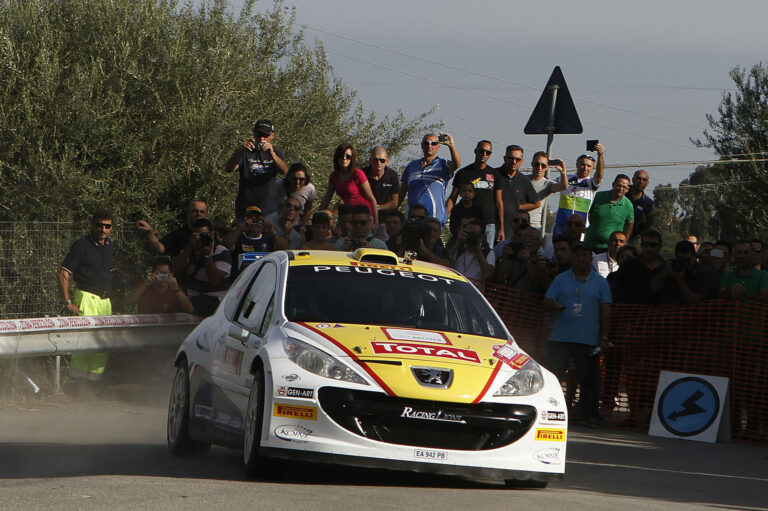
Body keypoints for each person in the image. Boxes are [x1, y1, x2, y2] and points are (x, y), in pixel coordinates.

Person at [543, 242, 612, 428]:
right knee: (555, 378)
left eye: (585, 255)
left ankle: (590, 415)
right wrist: (555, 306)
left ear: (591, 259)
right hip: (560, 339)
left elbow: (606, 311)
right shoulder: (561, 279)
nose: (581, 258)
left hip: (587, 340)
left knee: (589, 379)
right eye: (578, 255)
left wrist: (604, 337)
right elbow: (547, 301)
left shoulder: (600, 282)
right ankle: (550, 411)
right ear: (573, 258)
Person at [57, 208, 116, 384]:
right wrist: (67, 302)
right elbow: (63, 273)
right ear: (92, 224)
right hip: (86, 297)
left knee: (102, 344)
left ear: (111, 228)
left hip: (105, 301)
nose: (103, 229)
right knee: (84, 342)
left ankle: (94, 384)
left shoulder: (109, 245)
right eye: (99, 225)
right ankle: (77, 385)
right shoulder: (82, 245)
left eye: (107, 226)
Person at [224, 119, 288, 222]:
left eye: (265, 135)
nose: (262, 138)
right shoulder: (244, 152)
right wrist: (241, 150)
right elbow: (229, 168)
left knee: (268, 237)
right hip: (245, 210)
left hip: (268, 211)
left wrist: (272, 155)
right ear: (254, 133)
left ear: (272, 136)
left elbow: (285, 171)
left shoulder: (276, 153)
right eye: (259, 134)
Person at [446, 140, 501, 245]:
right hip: (467, 222)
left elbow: (499, 202)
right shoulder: (463, 173)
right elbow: (453, 198)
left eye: (487, 152)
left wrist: (501, 227)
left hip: (488, 223)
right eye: (481, 151)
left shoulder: (494, 174)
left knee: (485, 254)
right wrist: (443, 217)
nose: (484, 154)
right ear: (476, 151)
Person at [173, 218, 232, 316]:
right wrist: (190, 247)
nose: (201, 238)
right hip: (193, 297)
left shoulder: (222, 252)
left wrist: (207, 256)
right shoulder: (190, 250)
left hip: (215, 299)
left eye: (204, 235)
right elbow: (176, 269)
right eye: (197, 235)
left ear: (212, 234)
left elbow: (215, 281)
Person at [399, 133, 460, 226]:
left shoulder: (443, 164)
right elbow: (401, 193)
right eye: (426, 143)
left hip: (434, 218)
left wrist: (451, 146)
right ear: (422, 145)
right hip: (412, 218)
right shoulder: (411, 166)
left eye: (433, 143)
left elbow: (457, 165)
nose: (430, 146)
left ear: (438, 146)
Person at [318, 144, 379, 227]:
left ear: (352, 158)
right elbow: (327, 198)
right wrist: (318, 216)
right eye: (341, 156)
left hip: (363, 215)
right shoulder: (334, 176)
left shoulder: (358, 174)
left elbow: (372, 199)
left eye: (348, 156)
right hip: (347, 216)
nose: (344, 159)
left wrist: (376, 222)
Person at [552, 143, 606, 237]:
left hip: (581, 226)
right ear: (577, 165)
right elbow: (550, 187)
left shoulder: (590, 182)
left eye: (589, 166)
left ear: (593, 168)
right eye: (582, 164)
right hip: (561, 224)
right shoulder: (566, 177)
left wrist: (600, 155)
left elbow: (599, 175)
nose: (585, 168)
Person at [651, 240, 718, 305]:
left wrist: (679, 279)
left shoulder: (705, 273)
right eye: (681, 260)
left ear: (695, 256)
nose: (685, 263)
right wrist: (666, 271)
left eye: (688, 260)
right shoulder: (671, 268)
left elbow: (693, 301)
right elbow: (653, 288)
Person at [137, 199, 208, 258]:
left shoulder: (212, 235)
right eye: (194, 211)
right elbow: (159, 248)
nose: (198, 214)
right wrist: (150, 232)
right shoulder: (179, 235)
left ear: (206, 215)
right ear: (188, 213)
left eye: (202, 212)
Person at [497, 145, 539, 240]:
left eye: (517, 159)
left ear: (522, 161)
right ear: (505, 158)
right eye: (511, 158)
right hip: (493, 227)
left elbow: (536, 203)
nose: (514, 162)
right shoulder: (495, 175)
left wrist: (516, 207)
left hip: (512, 232)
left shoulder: (524, 180)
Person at [612, 230, 665, 304]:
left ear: (660, 246)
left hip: (659, 313)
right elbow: (616, 291)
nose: (648, 248)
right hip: (630, 312)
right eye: (645, 245)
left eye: (653, 245)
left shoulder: (666, 268)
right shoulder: (628, 266)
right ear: (641, 246)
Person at [584, 174, 634, 253]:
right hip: (589, 245)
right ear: (613, 185)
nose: (621, 189)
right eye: (618, 185)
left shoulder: (628, 205)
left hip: (610, 249)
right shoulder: (598, 197)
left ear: (628, 189)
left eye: (624, 187)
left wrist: (624, 241)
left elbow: (630, 223)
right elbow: (585, 213)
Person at [127, 257, 194, 314]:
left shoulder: (175, 290)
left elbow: (190, 310)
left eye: (165, 274)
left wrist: (176, 290)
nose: (162, 277)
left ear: (172, 275)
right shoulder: (145, 285)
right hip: (147, 328)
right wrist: (145, 284)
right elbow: (128, 301)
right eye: (159, 274)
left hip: (167, 328)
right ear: (153, 273)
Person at [528, 151, 568, 230]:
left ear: (547, 167)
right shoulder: (522, 179)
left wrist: (563, 172)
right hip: (518, 222)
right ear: (532, 164)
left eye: (543, 165)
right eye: (537, 164)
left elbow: (564, 186)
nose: (539, 168)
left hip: (534, 225)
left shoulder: (547, 183)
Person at [448, 218, 494, 287]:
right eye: (469, 233)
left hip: (473, 293)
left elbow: (487, 274)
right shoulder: (459, 249)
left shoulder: (487, 253)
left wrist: (478, 250)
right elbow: (446, 262)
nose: (471, 236)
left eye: (474, 234)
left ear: (481, 237)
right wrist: (458, 242)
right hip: (455, 289)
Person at [231, 206, 275, 275]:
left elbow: (284, 247)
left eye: (257, 219)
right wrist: (241, 229)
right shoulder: (238, 238)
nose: (254, 222)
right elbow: (225, 245)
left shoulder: (267, 239)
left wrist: (273, 232)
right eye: (250, 218)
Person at [362, 146, 400, 214]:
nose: (378, 163)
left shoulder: (392, 175)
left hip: (387, 218)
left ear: (387, 161)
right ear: (370, 160)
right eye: (375, 160)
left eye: (382, 160)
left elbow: (395, 202)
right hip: (366, 215)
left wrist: (378, 208)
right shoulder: (362, 174)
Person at [276, 162, 316, 228]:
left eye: (301, 179)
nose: (297, 182)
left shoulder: (310, 189)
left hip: (296, 226)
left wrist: (302, 228)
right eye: (294, 179)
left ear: (305, 179)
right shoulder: (278, 185)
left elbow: (308, 209)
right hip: (278, 224)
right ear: (289, 178)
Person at [628, 169, 654, 240]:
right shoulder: (622, 193)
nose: (641, 181)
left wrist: (642, 233)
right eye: (638, 178)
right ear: (633, 179)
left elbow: (650, 219)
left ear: (647, 183)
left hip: (632, 239)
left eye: (644, 180)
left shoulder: (647, 202)